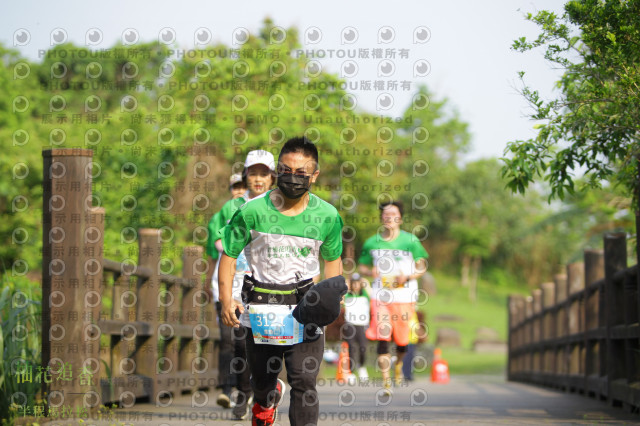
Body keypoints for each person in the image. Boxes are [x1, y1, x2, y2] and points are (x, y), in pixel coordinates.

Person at [218, 136, 343, 426]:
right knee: (262, 384)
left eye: (301, 172)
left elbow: (332, 260)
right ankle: (265, 401)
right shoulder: (252, 210)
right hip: (261, 308)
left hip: (305, 308)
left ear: (314, 175)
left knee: (304, 381)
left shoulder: (327, 215)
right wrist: (226, 299)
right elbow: (229, 255)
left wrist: (332, 298)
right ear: (277, 170)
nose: (292, 177)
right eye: (286, 170)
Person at [206, 152, 276, 417]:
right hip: (233, 284)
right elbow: (220, 243)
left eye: (264, 174)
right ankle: (241, 393)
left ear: (272, 177)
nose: (258, 179)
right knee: (236, 340)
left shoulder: (278, 206)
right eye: (253, 173)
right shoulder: (231, 207)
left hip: (265, 284)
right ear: (245, 175)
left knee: (261, 343)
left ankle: (258, 391)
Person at [358, 200, 428, 395]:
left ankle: (398, 367)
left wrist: (408, 277)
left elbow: (422, 266)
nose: (389, 218)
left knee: (402, 340)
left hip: (404, 296)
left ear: (401, 219)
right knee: (383, 336)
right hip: (380, 297)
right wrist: (370, 272)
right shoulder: (371, 242)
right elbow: (362, 266)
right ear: (382, 218)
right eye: (386, 215)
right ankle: (386, 381)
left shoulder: (410, 241)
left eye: (393, 215)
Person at [342, 272, 370, 381]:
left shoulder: (365, 295)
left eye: (357, 283)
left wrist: (364, 282)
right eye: (353, 283)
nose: (355, 285)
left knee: (363, 347)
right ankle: (351, 371)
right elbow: (341, 293)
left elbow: (371, 291)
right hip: (350, 324)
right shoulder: (347, 295)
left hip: (362, 325)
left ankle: (361, 366)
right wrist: (347, 284)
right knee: (351, 348)